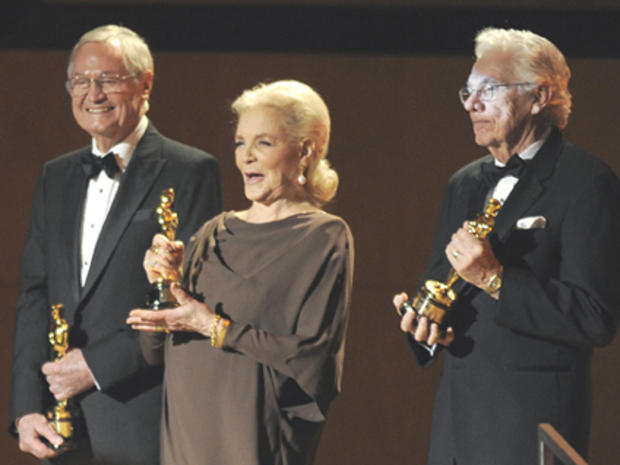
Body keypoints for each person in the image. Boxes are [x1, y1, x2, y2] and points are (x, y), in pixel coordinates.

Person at [393, 27, 620, 465]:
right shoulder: (463, 183)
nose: (471, 104)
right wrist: (425, 325)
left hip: (529, 427)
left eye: (489, 90)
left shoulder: (587, 182)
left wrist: (497, 279)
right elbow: (443, 280)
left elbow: (596, 318)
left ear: (539, 97)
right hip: (455, 429)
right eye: (468, 91)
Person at [9, 24, 222, 465]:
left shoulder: (191, 170)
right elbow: (35, 294)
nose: (93, 93)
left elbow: (188, 299)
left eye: (107, 79)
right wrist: (26, 406)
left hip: (141, 414)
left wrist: (95, 366)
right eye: (81, 82)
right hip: (58, 421)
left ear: (145, 84)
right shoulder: (56, 176)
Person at [127, 79, 354, 465]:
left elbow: (314, 360)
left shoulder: (324, 237)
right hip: (186, 432)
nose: (246, 156)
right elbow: (155, 355)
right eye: (239, 142)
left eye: (263, 143)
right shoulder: (211, 234)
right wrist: (162, 287)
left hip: (251, 435)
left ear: (304, 151)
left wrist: (215, 327)